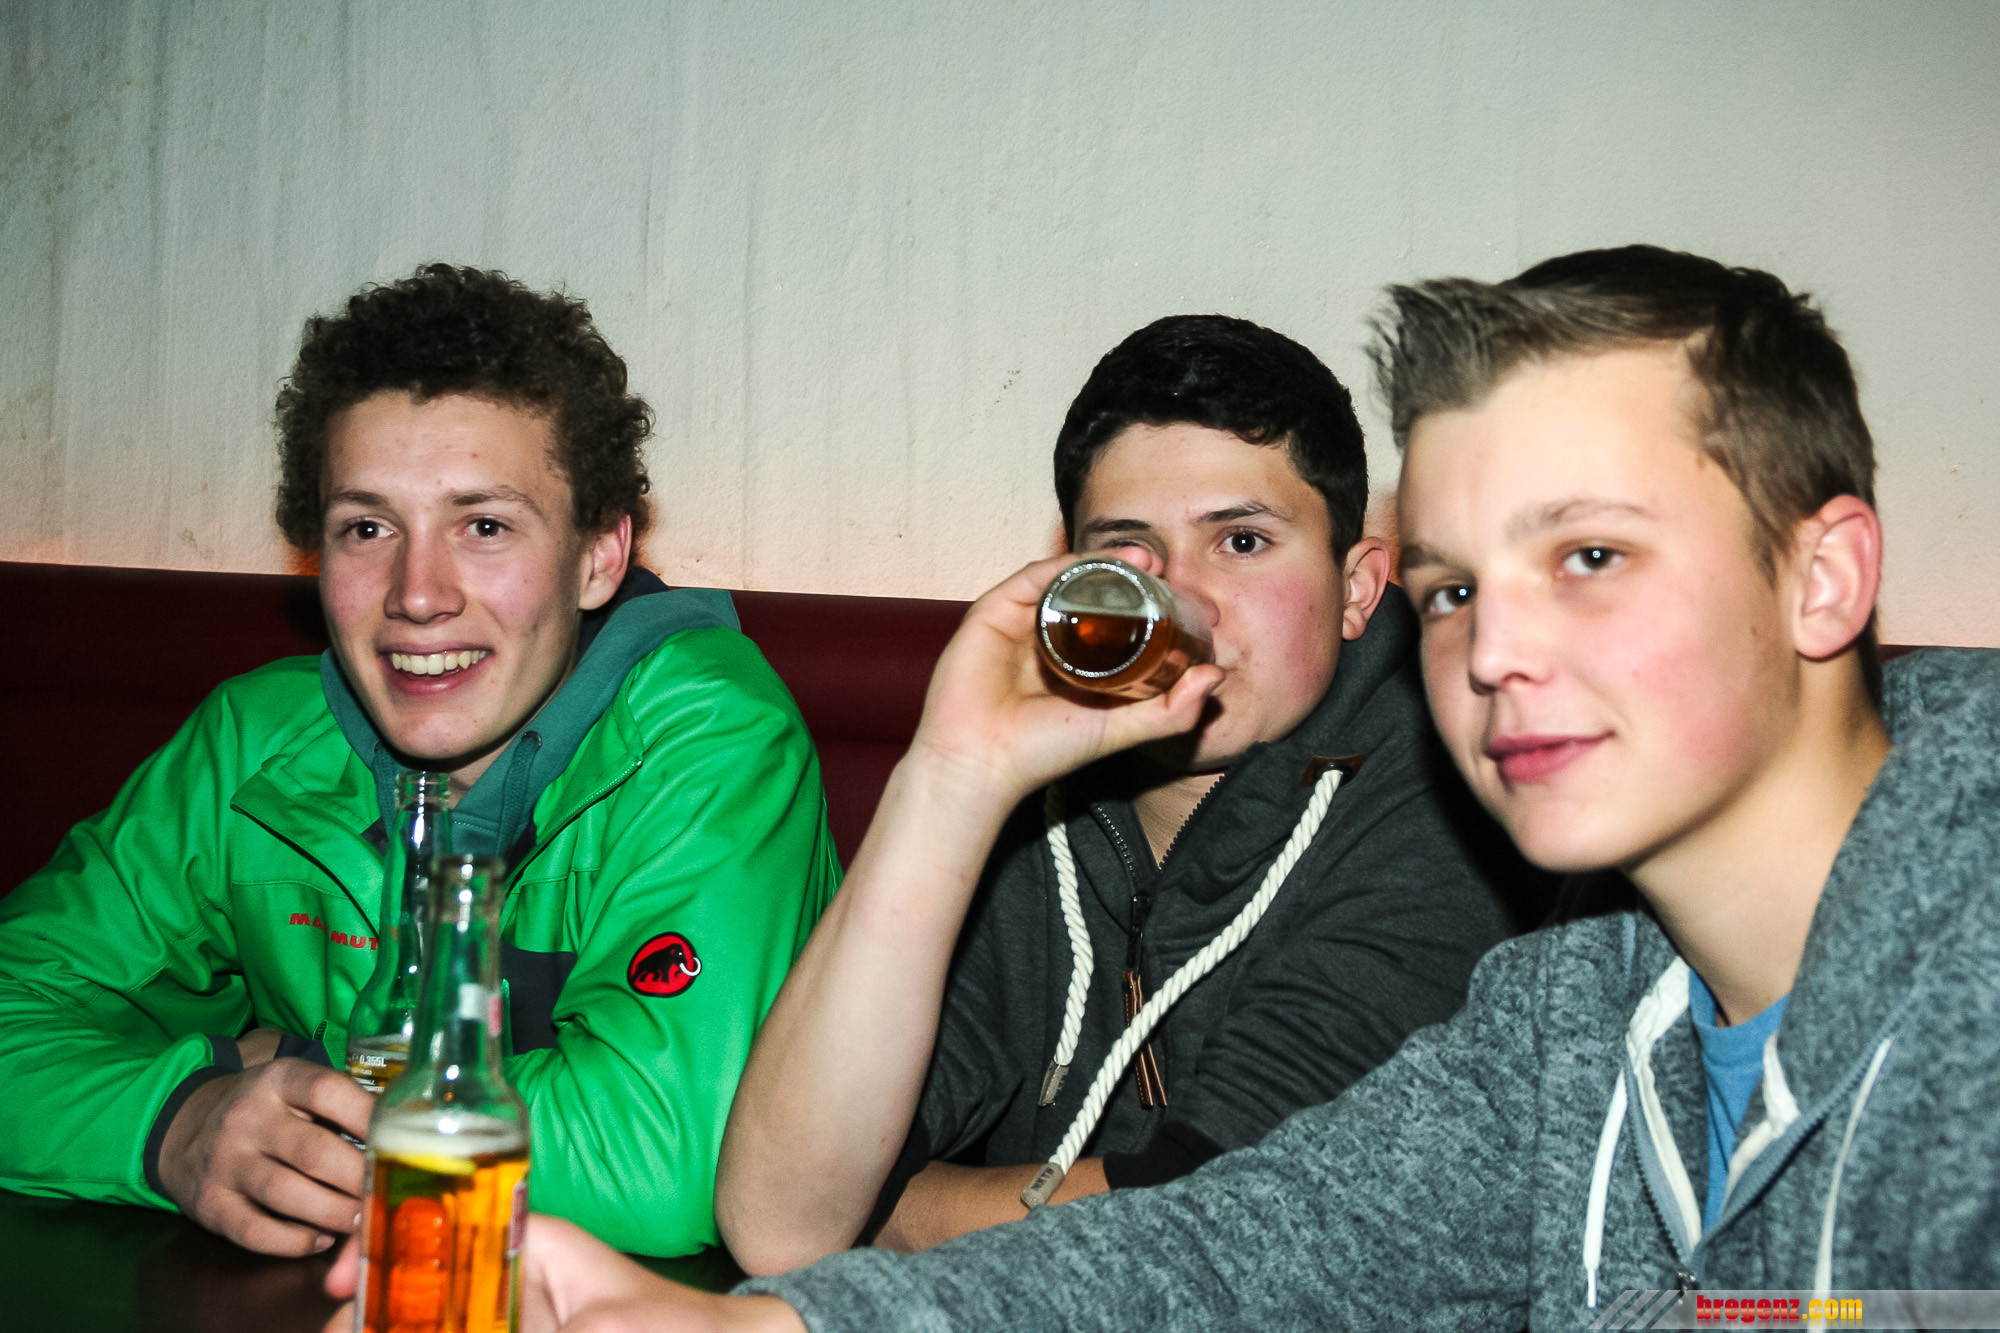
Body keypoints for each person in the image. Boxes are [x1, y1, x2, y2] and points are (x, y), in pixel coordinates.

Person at [333, 244, 2000, 1328]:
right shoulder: (1572, 1014)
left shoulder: (1961, 973)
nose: (1495, 650)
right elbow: (1220, 1253)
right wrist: (745, 1325)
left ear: (1825, 577)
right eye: (1457, 587)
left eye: (1589, 556)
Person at [0, 264, 840, 1260]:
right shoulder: (255, 744)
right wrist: (176, 1122)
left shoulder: (709, 734)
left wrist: (304, 1075)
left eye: (484, 526)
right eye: (368, 527)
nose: (417, 593)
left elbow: (658, 1162)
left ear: (598, 556)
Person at [715, 314, 1533, 1273]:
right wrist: (949, 776)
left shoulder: (1454, 795)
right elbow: (779, 1217)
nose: (1184, 601)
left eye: (1241, 540)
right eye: (1131, 554)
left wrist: (897, 1207)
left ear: (1356, 588)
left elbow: (1221, 1223)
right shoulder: (1034, 802)